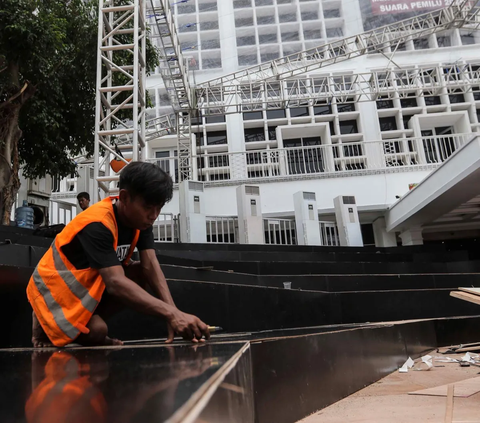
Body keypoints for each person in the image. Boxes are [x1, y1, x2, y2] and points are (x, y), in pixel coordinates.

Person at [28, 161, 210, 347]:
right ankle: (46, 322)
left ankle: (84, 325)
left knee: (140, 272)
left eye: (159, 207)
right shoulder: (97, 224)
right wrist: (173, 315)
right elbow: (115, 283)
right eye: (148, 207)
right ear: (124, 197)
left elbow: (150, 266)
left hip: (85, 290)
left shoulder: (140, 220)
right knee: (98, 330)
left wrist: (174, 313)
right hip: (53, 294)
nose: (154, 215)